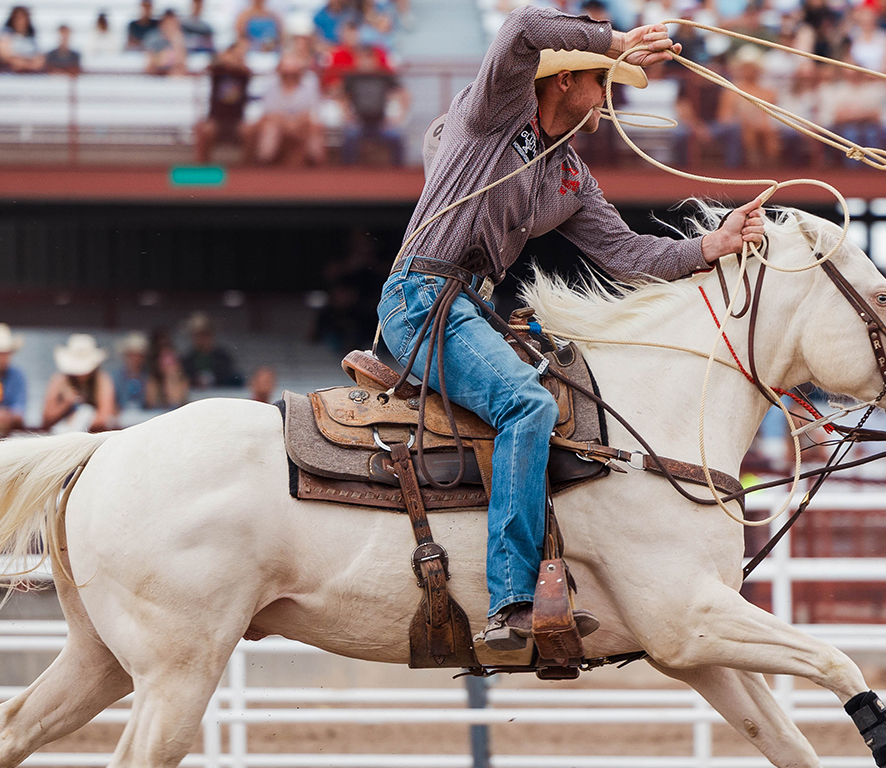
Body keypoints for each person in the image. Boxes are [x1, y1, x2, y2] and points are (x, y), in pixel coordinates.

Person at [385, 7, 766, 649]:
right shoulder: (495, 112)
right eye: (604, 78)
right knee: (528, 405)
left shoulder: (568, 172)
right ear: (564, 80)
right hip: (422, 297)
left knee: (563, 403)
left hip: (463, 307)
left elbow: (625, 252)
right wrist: (614, 38)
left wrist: (711, 246)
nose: (609, 94)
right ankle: (510, 599)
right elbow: (521, 27)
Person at [338, 36, 409, 165]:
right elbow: (342, 96)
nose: (365, 61)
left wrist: (400, 116)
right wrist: (346, 115)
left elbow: (404, 93)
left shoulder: (383, 76)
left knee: (397, 138)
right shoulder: (352, 77)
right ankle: (348, 175)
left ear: (374, 59)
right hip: (359, 124)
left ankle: (397, 175)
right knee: (349, 137)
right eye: (362, 57)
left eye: (369, 57)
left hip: (381, 124)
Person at [254, 51, 326, 165]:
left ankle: (317, 167)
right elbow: (268, 113)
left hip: (302, 125)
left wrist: (297, 123)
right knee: (269, 128)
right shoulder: (271, 84)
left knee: (315, 128)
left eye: (293, 72)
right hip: (278, 125)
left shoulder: (310, 83)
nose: (289, 76)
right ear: (280, 71)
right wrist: (286, 123)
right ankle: (264, 164)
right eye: (286, 72)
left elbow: (314, 113)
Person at [44, 334, 118, 433]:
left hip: (92, 438)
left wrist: (78, 421)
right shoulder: (59, 380)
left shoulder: (102, 380)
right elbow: (46, 418)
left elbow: (104, 417)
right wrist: (66, 403)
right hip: (61, 437)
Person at [196, 39, 253, 162]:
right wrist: (224, 60)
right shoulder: (218, 72)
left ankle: (247, 168)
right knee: (204, 130)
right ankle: (202, 165)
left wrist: (234, 63)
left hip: (237, 120)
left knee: (249, 132)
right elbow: (209, 67)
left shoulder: (243, 74)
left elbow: (245, 71)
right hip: (216, 120)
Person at [181, 312, 243, 388]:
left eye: (205, 335)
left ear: (211, 336)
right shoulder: (187, 359)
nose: (201, 339)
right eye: (198, 336)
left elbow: (228, 377)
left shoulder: (223, 357)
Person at [0, 6, 44, 72]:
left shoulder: (32, 38)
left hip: (29, 77)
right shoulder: (5, 36)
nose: (21, 22)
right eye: (18, 18)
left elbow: (39, 60)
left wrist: (29, 65)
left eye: (24, 18)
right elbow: (5, 57)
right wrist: (25, 64)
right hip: (7, 76)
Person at [144, 9, 188, 75]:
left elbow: (182, 62)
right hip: (156, 74)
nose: (170, 27)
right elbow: (150, 62)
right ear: (162, 24)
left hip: (174, 76)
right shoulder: (153, 37)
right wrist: (164, 58)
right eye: (168, 23)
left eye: (173, 24)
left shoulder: (181, 37)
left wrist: (176, 43)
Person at [116, 332, 152, 411]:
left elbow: (151, 403)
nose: (135, 359)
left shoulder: (148, 377)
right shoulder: (116, 377)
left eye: (138, 356)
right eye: (131, 355)